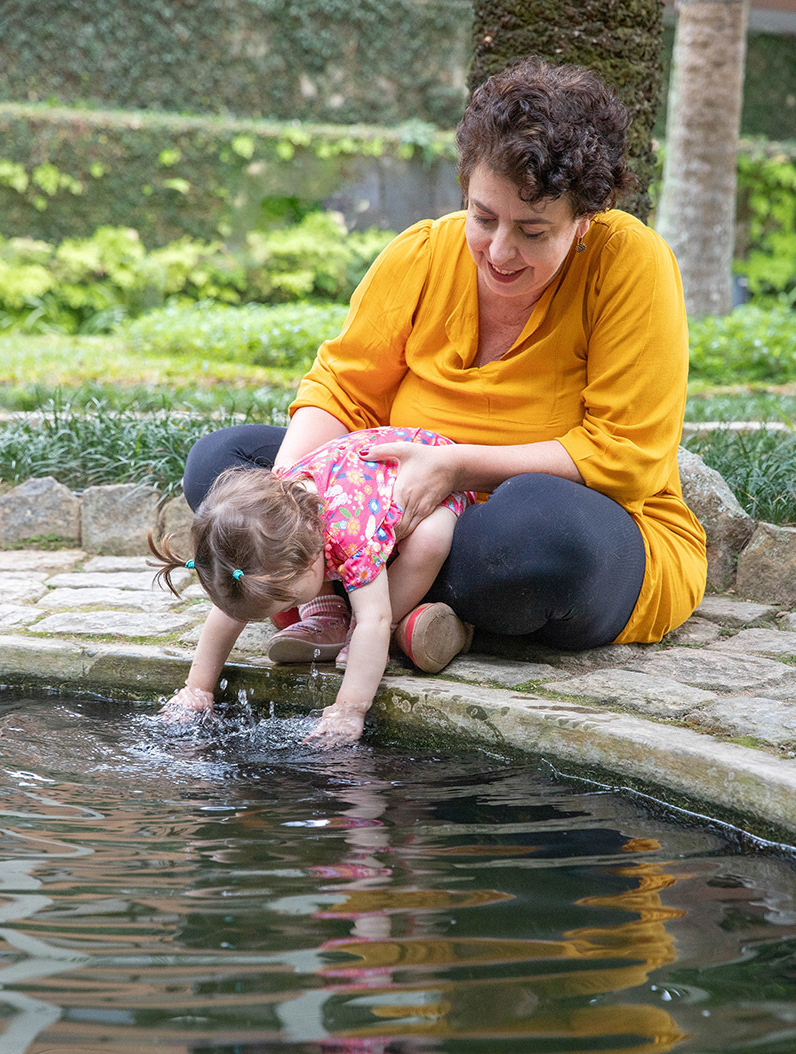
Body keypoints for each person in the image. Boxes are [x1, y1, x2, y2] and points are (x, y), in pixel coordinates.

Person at [180, 55, 707, 684]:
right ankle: (406, 617)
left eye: (533, 230)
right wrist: (289, 501)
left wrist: (456, 467)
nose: (500, 252)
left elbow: (625, 457)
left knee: (526, 537)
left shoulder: (631, 265)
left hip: (555, 530)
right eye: (483, 218)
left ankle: (374, 602)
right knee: (224, 467)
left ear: (585, 217)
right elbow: (342, 392)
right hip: (391, 513)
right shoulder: (421, 255)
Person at [150, 425, 476, 743]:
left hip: (431, 470)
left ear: (311, 559)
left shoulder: (351, 537)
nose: (289, 607)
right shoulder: (269, 528)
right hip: (361, 473)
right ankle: (331, 617)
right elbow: (228, 612)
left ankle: (382, 627)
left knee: (427, 543)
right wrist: (196, 689)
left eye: (291, 601)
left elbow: (372, 619)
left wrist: (349, 708)